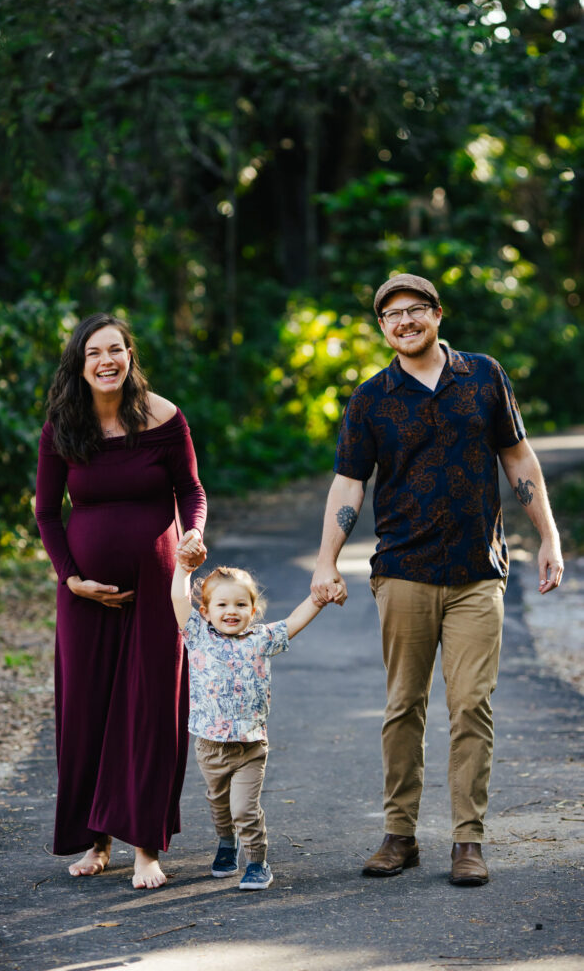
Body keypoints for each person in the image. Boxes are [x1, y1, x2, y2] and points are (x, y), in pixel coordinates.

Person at [311, 273, 563, 887]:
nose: (404, 321)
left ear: (438, 314)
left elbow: (517, 456)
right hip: (403, 571)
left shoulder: (483, 375)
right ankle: (399, 836)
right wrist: (325, 561)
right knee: (403, 706)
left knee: (472, 705)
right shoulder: (371, 398)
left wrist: (550, 536)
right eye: (391, 314)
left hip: (479, 570)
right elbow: (350, 482)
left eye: (415, 309)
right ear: (382, 328)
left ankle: (466, 841)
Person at [35, 312, 207, 889]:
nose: (106, 361)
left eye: (116, 350)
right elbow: (46, 513)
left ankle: (145, 849)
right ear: (80, 365)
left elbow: (191, 491)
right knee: (88, 711)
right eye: (94, 354)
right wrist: (71, 578)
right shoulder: (63, 425)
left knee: (150, 710)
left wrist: (193, 534)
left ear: (130, 355)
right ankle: (96, 839)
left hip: (158, 590)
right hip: (84, 598)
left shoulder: (164, 417)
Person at [171, 555, 329, 890]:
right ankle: (226, 843)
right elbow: (176, 598)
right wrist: (183, 569)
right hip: (209, 745)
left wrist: (317, 598)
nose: (232, 611)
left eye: (241, 604)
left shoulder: (261, 639)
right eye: (222, 604)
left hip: (250, 746)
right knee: (219, 805)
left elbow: (293, 622)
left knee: (244, 809)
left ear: (253, 611)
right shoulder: (197, 636)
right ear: (206, 612)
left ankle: (257, 862)